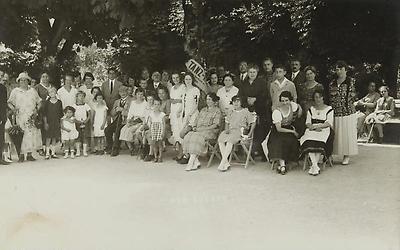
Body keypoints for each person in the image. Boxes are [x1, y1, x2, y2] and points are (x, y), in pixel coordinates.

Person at [8, 72, 43, 162]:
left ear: (28, 81)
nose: (23, 81)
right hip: (20, 116)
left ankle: (30, 154)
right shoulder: (15, 91)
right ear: (19, 81)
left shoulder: (32, 91)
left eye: (25, 80)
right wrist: (14, 109)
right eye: (21, 80)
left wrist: (36, 110)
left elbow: (39, 102)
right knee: (21, 135)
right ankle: (21, 155)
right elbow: (9, 102)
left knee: (30, 135)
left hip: (31, 116)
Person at [329, 60, 358, 165]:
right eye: (337, 69)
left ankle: (346, 155)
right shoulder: (332, 82)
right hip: (335, 112)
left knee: (347, 134)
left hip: (348, 112)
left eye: (341, 69)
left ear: (346, 70)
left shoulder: (351, 81)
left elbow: (354, 96)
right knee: (336, 134)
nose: (339, 71)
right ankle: (331, 154)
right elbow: (330, 97)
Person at [182, 93, 222, 171]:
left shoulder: (217, 111)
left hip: (210, 131)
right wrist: (194, 127)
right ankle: (196, 161)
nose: (208, 101)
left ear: (214, 101)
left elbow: (215, 125)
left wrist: (203, 129)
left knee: (197, 137)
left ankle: (191, 162)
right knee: (188, 135)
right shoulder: (203, 109)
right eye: (207, 99)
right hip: (199, 130)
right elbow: (196, 120)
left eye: (210, 99)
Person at [239, 64, 270, 160]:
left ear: (257, 73)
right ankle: (250, 152)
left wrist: (256, 99)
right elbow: (240, 95)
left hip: (260, 109)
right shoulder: (244, 83)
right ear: (247, 73)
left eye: (254, 72)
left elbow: (265, 95)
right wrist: (247, 99)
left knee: (260, 131)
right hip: (247, 110)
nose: (252, 74)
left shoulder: (262, 82)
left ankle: (262, 153)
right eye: (250, 72)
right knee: (248, 130)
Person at [300, 89, 334, 176]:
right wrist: (314, 128)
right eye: (316, 97)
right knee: (308, 137)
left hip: (324, 129)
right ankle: (315, 166)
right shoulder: (311, 109)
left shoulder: (329, 109)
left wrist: (318, 127)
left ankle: (314, 166)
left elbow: (329, 123)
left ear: (323, 98)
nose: (317, 99)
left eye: (319, 97)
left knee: (320, 139)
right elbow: (308, 122)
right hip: (312, 129)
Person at [217, 95, 256, 172]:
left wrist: (249, 134)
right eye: (234, 101)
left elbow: (253, 122)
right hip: (230, 130)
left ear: (241, 103)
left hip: (239, 131)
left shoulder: (245, 111)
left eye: (238, 101)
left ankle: (223, 162)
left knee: (229, 140)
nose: (236, 103)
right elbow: (227, 122)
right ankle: (226, 162)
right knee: (221, 139)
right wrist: (226, 129)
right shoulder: (231, 111)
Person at [266, 91, 301, 175]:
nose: (284, 103)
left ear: (290, 100)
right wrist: (292, 131)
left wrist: (299, 110)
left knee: (292, 140)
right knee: (280, 141)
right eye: (282, 101)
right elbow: (279, 128)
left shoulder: (293, 106)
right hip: (278, 131)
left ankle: (286, 163)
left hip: (288, 129)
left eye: (286, 100)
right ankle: (282, 165)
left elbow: (299, 112)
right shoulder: (277, 112)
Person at [176, 73, 200, 163]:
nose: (188, 81)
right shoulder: (184, 90)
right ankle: (186, 155)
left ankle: (188, 155)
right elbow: (183, 103)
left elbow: (196, 105)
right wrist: (180, 110)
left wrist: (190, 114)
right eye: (186, 79)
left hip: (192, 115)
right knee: (183, 135)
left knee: (184, 133)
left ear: (192, 80)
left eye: (189, 79)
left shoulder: (195, 90)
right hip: (184, 114)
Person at [104, 86, 133, 156]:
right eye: (120, 92)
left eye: (124, 91)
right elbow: (112, 113)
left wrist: (122, 110)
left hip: (127, 121)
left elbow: (132, 114)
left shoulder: (131, 101)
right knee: (107, 129)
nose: (122, 93)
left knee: (118, 130)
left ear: (127, 92)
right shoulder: (117, 101)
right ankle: (110, 146)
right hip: (117, 120)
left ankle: (116, 148)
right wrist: (116, 110)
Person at [296, 66, 324, 136]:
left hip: (313, 110)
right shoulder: (301, 86)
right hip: (302, 110)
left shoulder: (319, 86)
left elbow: (321, 100)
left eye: (311, 73)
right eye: (307, 74)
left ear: (314, 74)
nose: (309, 76)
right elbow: (299, 99)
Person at [119, 88, 148, 155]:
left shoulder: (145, 103)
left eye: (141, 94)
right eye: (138, 94)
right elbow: (130, 113)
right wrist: (128, 121)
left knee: (132, 130)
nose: (140, 96)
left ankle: (142, 147)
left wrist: (138, 120)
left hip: (141, 121)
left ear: (143, 95)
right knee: (124, 130)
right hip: (133, 120)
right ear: (135, 95)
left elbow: (145, 115)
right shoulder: (133, 103)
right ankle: (131, 148)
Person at [42, 87, 63, 159]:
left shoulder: (59, 102)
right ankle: (47, 153)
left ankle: (53, 153)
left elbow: (61, 114)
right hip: (49, 122)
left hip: (56, 122)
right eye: (50, 92)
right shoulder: (47, 102)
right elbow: (44, 114)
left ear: (56, 92)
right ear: (48, 93)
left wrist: (60, 123)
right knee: (48, 138)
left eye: (53, 92)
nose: (52, 93)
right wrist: (45, 123)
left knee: (54, 137)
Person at [169, 72, 186, 157]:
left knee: (180, 130)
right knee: (175, 131)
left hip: (180, 110)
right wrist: (174, 101)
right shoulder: (172, 88)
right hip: (173, 110)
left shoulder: (183, 87)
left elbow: (183, 100)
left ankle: (182, 153)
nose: (175, 79)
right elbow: (171, 99)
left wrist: (177, 101)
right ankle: (178, 152)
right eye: (173, 78)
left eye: (177, 78)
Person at [147, 98, 166, 163]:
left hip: (160, 129)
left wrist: (163, 132)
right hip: (153, 130)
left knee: (159, 144)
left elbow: (164, 124)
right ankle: (155, 156)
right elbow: (150, 124)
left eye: (158, 104)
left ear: (160, 105)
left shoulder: (162, 114)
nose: (156, 106)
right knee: (154, 144)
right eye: (155, 104)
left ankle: (160, 156)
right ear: (153, 105)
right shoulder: (151, 114)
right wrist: (150, 132)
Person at [72, 91, 91, 157]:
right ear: (76, 97)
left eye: (83, 96)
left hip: (85, 123)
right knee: (78, 136)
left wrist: (86, 120)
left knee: (85, 136)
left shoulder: (86, 105)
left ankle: (84, 151)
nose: (81, 97)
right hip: (77, 123)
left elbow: (89, 114)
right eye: (80, 96)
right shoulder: (74, 106)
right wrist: (76, 121)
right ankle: (78, 150)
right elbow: (72, 114)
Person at [0, 70, 10, 165]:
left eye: (2, 75)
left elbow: (3, 104)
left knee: (1, 138)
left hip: (1, 117)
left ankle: (0, 158)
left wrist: (3, 116)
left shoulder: (3, 88)